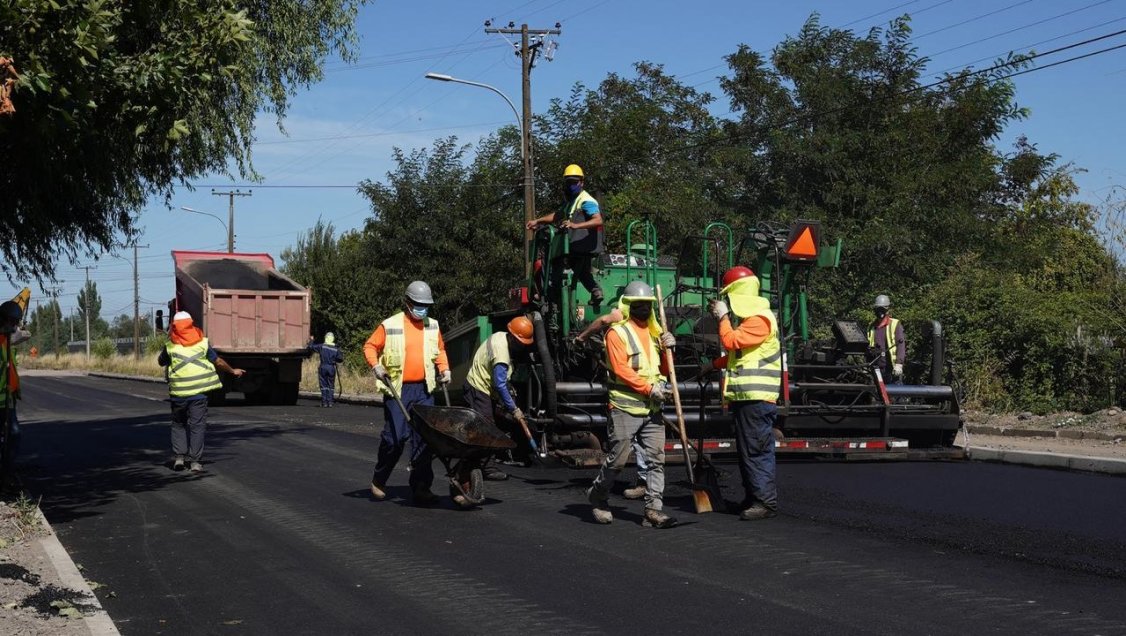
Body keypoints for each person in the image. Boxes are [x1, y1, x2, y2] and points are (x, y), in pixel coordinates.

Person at [586, 281, 678, 529]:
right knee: (617, 460)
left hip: (652, 410)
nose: (642, 309)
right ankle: (598, 496)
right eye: (637, 305)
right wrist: (650, 389)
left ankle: (653, 510)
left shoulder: (656, 333)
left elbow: (664, 369)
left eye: (646, 305)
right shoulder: (617, 333)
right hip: (625, 408)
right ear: (627, 306)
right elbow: (621, 369)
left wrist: (670, 348)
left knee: (656, 460)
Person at [702, 266, 781, 521]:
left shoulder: (760, 319)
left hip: (756, 399)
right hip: (747, 400)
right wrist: (712, 366)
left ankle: (765, 502)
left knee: (756, 450)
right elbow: (740, 356)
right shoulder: (752, 321)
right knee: (748, 450)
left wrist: (723, 318)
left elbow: (731, 342)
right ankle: (753, 497)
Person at [364, 281, 450, 505]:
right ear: (408, 303)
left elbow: (439, 349)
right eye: (418, 304)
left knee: (425, 439)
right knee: (395, 439)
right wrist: (376, 366)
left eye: (426, 305)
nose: (422, 309)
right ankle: (379, 479)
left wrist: (445, 368)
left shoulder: (433, 325)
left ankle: (421, 487)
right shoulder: (391, 324)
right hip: (398, 389)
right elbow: (370, 346)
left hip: (424, 389)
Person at [158, 311, 246, 473]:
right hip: (199, 394)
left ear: (175, 327)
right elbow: (218, 361)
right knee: (197, 426)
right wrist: (233, 371)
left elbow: (161, 361)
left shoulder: (170, 346)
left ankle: (179, 458)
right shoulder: (203, 344)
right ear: (191, 324)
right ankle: (195, 462)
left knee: (179, 424)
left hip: (178, 394)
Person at [575, 307, 648, 500]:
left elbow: (603, 321)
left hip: (632, 388)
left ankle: (639, 483)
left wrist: (582, 337)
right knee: (641, 442)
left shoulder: (622, 313)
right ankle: (643, 482)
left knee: (632, 443)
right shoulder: (646, 317)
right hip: (642, 386)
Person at [462, 316, 536, 482]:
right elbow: (500, 384)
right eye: (520, 343)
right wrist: (514, 409)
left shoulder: (501, 335)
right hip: (478, 388)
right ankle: (481, 467)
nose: (521, 346)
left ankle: (477, 463)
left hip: (486, 389)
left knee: (490, 425)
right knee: (486, 427)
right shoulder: (501, 353)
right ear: (513, 337)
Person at [526, 164, 605, 309]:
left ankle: (551, 294)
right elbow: (557, 215)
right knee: (578, 269)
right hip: (576, 244)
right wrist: (538, 221)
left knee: (553, 260)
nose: (571, 185)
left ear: (581, 182)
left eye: (574, 182)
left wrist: (575, 226)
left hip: (582, 243)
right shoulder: (572, 202)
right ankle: (595, 291)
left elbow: (598, 220)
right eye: (569, 182)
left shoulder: (586, 200)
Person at [0, 300, 24, 486]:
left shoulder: (7, 340)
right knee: (9, 434)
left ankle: (8, 473)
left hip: (8, 399)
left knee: (13, 434)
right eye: (13, 322)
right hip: (0, 399)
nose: (15, 326)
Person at [867, 294, 905, 383]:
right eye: (878, 309)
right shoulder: (871, 327)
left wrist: (899, 364)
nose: (880, 312)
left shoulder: (895, 324)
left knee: (895, 395)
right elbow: (868, 347)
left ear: (887, 310)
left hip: (892, 369)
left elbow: (901, 345)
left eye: (882, 309)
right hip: (876, 370)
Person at [308, 332, 344, 407]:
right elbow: (340, 359)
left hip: (323, 367)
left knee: (323, 385)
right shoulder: (336, 348)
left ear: (326, 338)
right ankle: (330, 402)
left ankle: (324, 403)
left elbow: (311, 347)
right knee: (331, 385)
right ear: (333, 338)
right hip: (331, 368)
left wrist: (311, 340)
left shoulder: (322, 346)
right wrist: (334, 359)